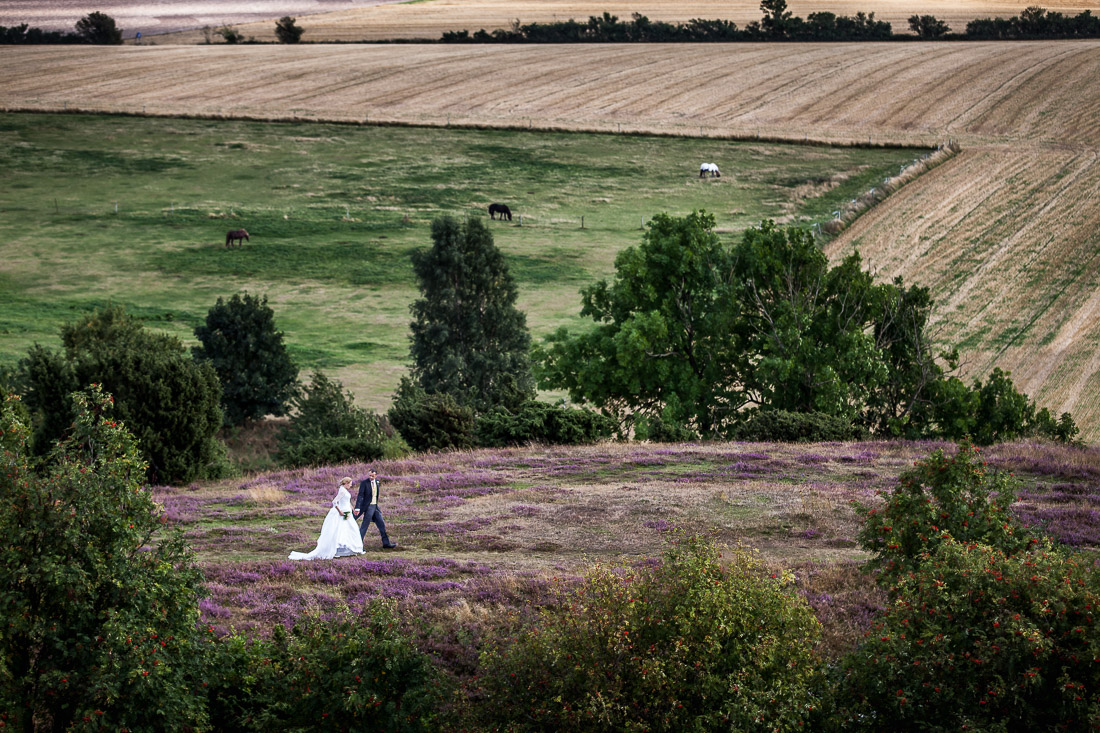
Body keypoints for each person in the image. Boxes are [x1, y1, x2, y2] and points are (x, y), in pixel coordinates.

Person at [288, 477, 364, 560]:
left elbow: (347, 502)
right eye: (350, 484)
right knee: (339, 531)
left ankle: (349, 549)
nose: (351, 485)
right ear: (346, 483)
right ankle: (337, 549)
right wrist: (340, 512)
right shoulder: (342, 490)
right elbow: (334, 502)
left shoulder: (344, 490)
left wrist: (353, 510)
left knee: (349, 530)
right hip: (343, 513)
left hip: (348, 513)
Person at [354, 469, 396, 549]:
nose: (370, 477)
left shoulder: (377, 482)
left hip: (375, 506)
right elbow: (360, 496)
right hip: (368, 506)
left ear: (376, 475)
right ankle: (358, 545)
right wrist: (357, 507)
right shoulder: (364, 483)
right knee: (364, 526)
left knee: (381, 524)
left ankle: (386, 544)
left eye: (372, 476)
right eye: (369, 475)